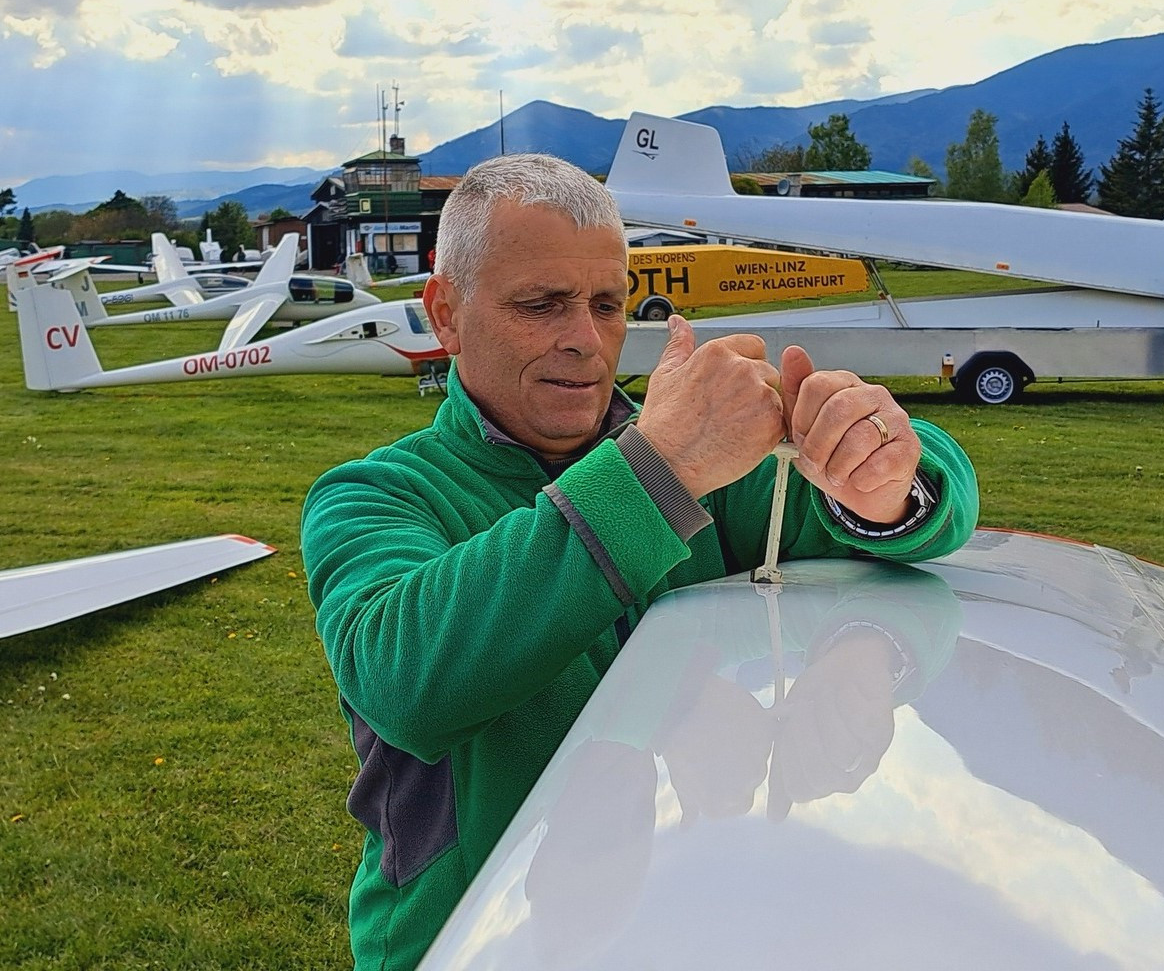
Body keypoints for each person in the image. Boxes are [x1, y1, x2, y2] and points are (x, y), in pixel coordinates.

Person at [301, 153, 979, 970]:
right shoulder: (375, 496)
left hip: (678, 922)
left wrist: (884, 475)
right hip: (459, 942)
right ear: (446, 313)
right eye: (541, 304)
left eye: (607, 304)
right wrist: (661, 467)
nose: (586, 341)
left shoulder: (695, 462)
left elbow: (928, 498)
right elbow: (407, 681)